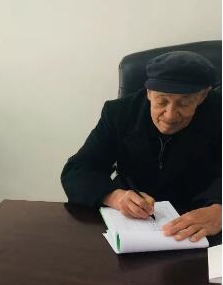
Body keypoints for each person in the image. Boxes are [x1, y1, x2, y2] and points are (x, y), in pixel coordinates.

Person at [61, 51, 221, 245]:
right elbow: (78, 170)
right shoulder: (119, 113)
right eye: (162, 101)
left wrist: (219, 209)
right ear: (149, 92)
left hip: (200, 224)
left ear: (202, 96)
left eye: (184, 103)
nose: (170, 115)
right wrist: (113, 196)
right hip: (133, 225)